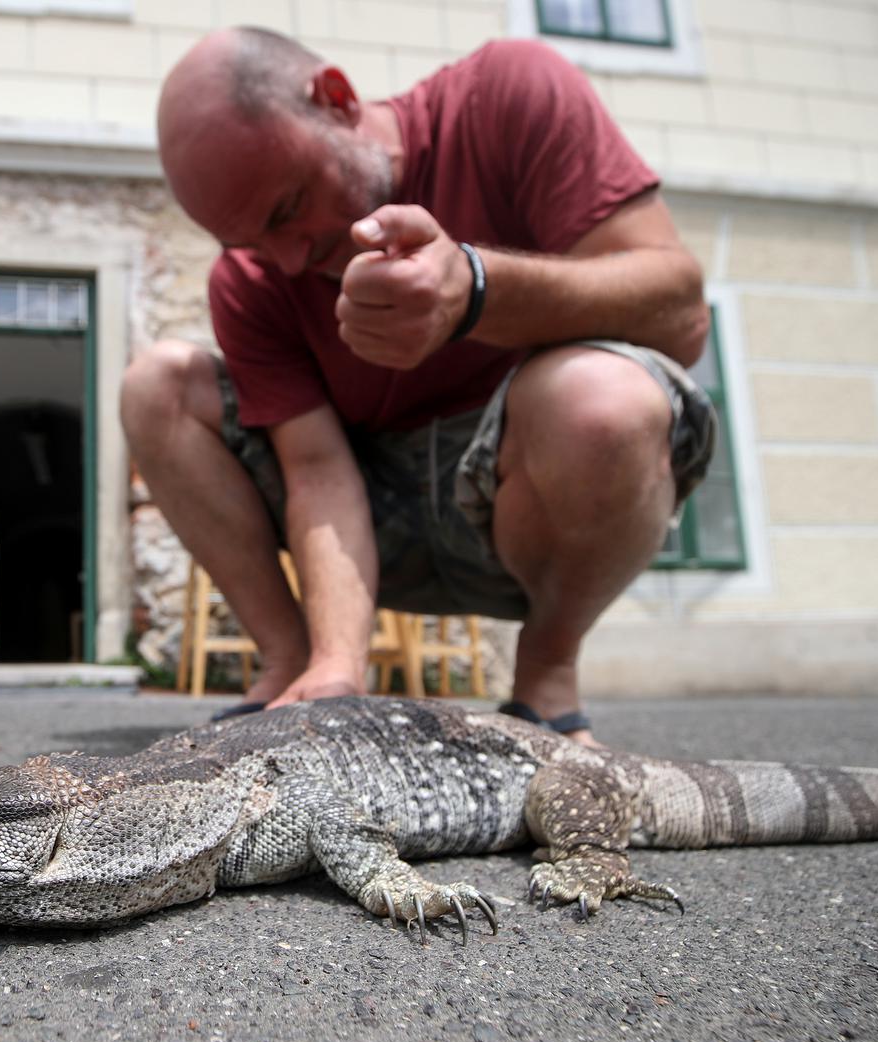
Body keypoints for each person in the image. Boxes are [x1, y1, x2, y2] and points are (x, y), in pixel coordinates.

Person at [120, 27, 716, 744]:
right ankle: (292, 668)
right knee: (155, 384)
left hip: (525, 510)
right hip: (374, 526)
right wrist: (338, 666)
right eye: (247, 244)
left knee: (601, 400)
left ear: (336, 99)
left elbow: (681, 315)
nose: (287, 259)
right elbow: (313, 466)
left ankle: (546, 673)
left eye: (286, 209)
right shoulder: (257, 280)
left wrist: (477, 290)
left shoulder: (505, 95)